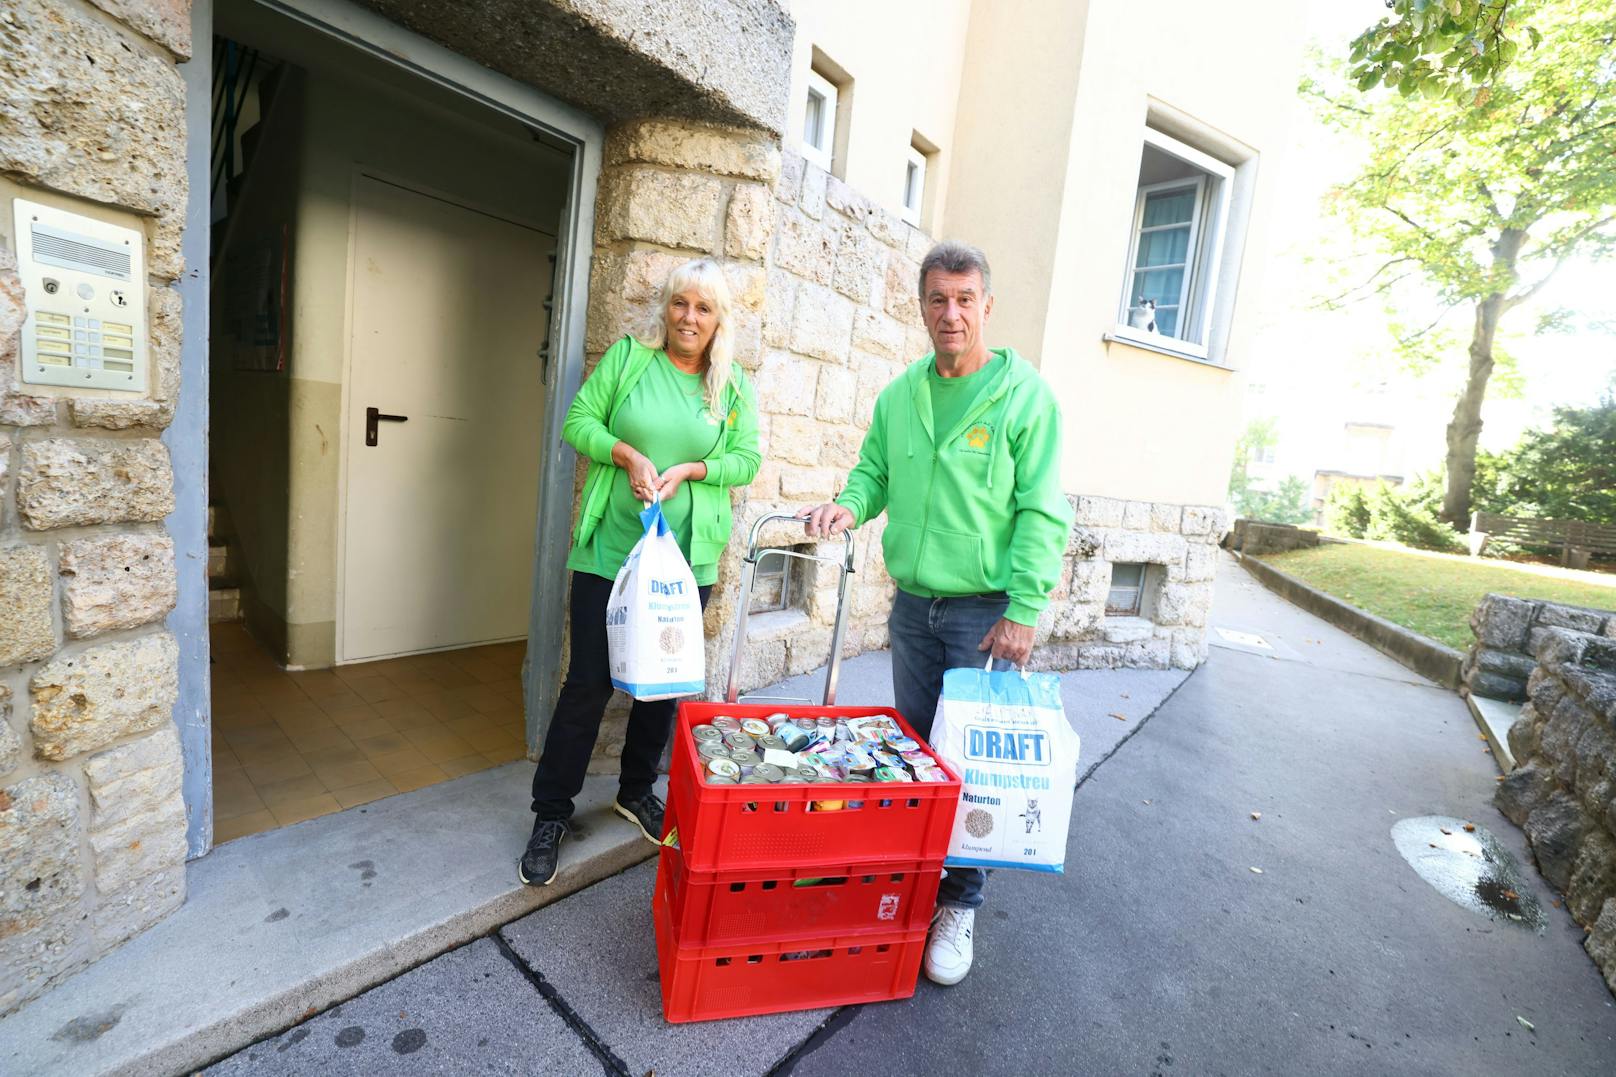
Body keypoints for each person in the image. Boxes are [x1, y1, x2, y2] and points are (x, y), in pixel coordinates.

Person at [799, 241, 1071, 985]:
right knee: (917, 753)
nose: (950, 313)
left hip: (982, 613)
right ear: (920, 306)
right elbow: (873, 473)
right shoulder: (901, 394)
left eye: (964, 298)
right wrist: (848, 507)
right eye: (936, 299)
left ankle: (961, 902)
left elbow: (1043, 511)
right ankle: (913, 885)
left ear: (987, 305)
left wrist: (1023, 608)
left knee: (968, 765)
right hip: (913, 605)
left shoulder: (1024, 397)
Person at [520, 258, 760, 887]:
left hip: (685, 564)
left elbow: (747, 458)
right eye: (681, 303)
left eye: (703, 309)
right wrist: (624, 453)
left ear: (718, 321)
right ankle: (550, 813)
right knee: (588, 684)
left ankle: (635, 790)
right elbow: (579, 421)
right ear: (667, 307)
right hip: (610, 554)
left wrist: (693, 472)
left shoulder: (730, 387)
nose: (689, 318)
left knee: (665, 682)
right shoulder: (630, 359)